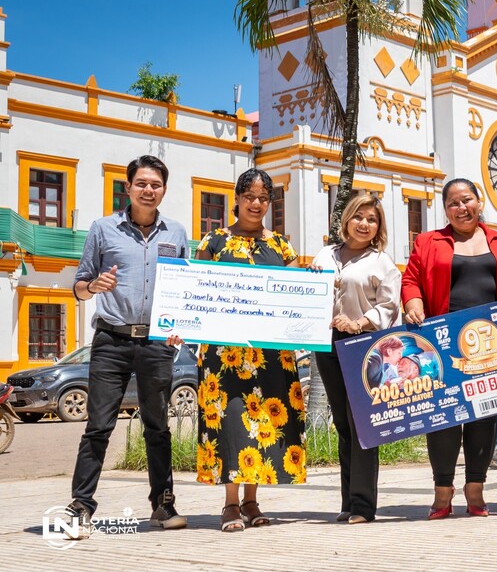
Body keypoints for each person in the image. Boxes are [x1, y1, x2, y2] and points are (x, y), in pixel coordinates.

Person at [68, 155, 189, 537]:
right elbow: (78, 286)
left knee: (158, 427)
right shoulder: (103, 229)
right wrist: (93, 286)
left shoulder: (177, 233)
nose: (148, 190)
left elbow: (184, 291)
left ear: (164, 190)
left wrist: (179, 328)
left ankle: (163, 505)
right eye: (142, 184)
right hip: (111, 340)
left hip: (156, 343)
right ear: (128, 187)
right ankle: (80, 507)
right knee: (98, 426)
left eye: (155, 185)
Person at [402, 178, 497, 519]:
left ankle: (476, 488)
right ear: (445, 209)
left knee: (484, 416)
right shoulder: (428, 241)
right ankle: (442, 490)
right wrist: (413, 304)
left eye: (467, 200)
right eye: (453, 203)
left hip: (491, 342)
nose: (462, 208)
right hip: (442, 341)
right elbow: (411, 280)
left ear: (479, 202)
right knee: (442, 418)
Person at [194, 168, 307, 532]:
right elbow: (196, 291)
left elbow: (294, 296)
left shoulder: (282, 247)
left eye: (263, 198)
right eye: (249, 197)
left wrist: (313, 285)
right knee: (230, 423)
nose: (256, 204)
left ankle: (252, 501)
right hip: (224, 355)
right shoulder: (214, 242)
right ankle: (230, 504)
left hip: (271, 354)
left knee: (263, 424)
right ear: (237, 199)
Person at [312, 194, 401, 524]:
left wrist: (359, 323)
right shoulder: (325, 255)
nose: (364, 224)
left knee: (363, 424)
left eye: (372, 219)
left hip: (364, 345)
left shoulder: (383, 263)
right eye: (359, 217)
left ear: (379, 227)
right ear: (346, 219)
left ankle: (363, 505)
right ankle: (348, 501)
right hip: (328, 345)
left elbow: (389, 306)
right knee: (342, 424)